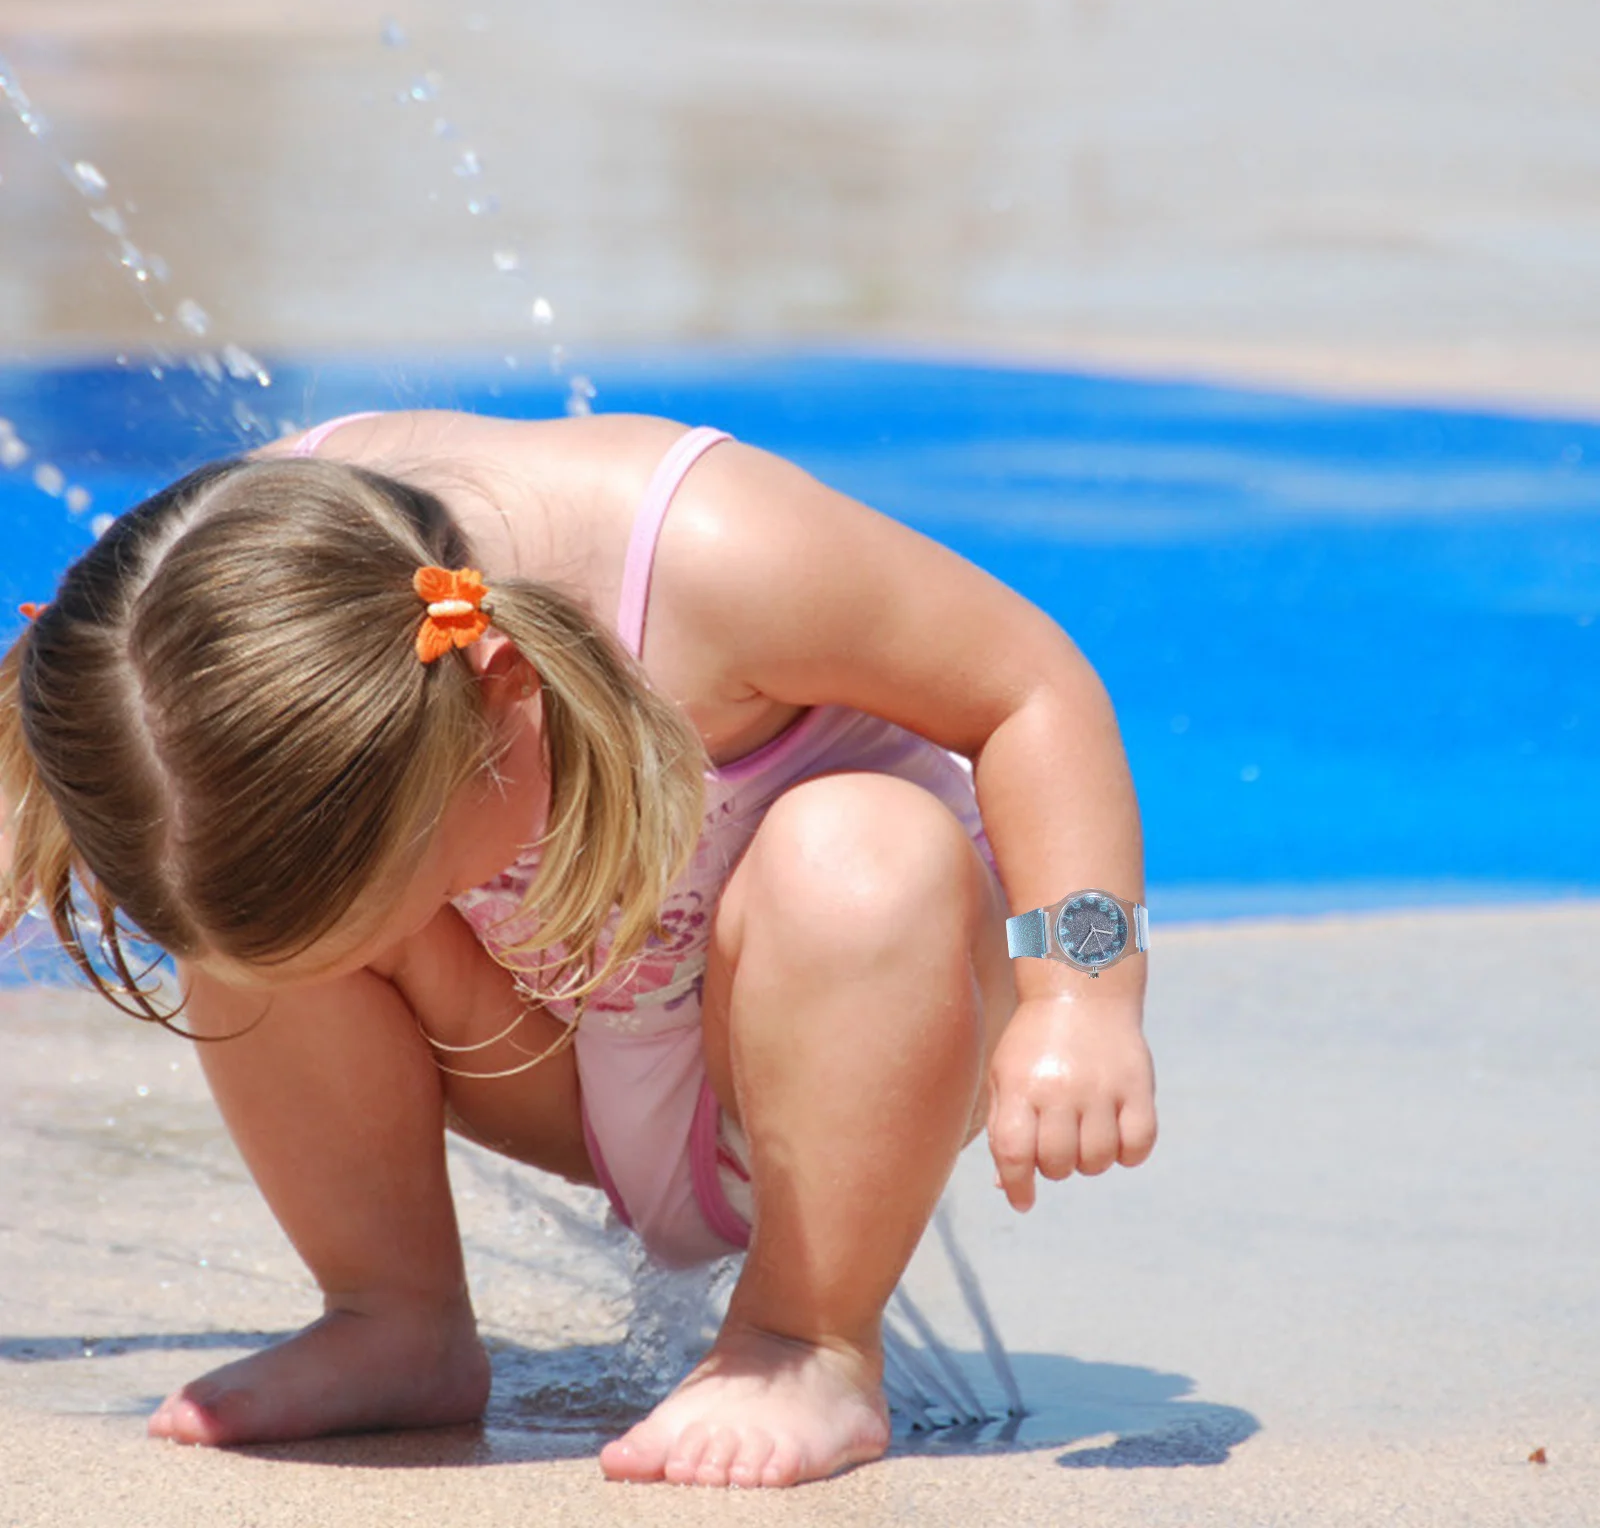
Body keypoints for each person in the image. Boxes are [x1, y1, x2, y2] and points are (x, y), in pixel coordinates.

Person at [0, 410, 1156, 1488]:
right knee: (249, 921)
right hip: (575, 1064)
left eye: (429, 887)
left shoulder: (712, 556)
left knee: (856, 854)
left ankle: (806, 1337)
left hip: (847, 1046)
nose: (423, 923)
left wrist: (1079, 995)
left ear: (503, 691)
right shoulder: (208, 614)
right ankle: (391, 1316)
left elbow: (1031, 689)